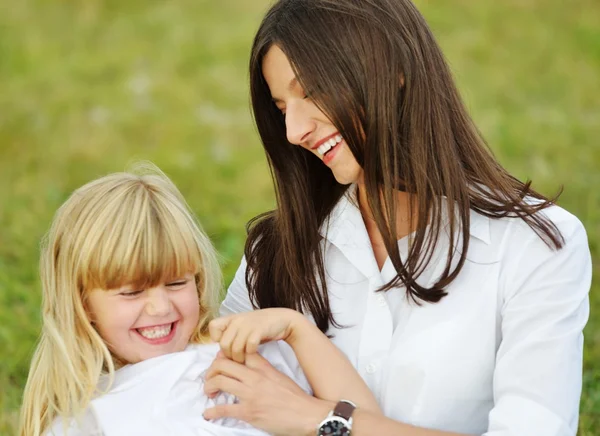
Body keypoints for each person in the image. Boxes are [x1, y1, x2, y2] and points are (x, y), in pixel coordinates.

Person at [206, 0, 593, 435]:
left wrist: (323, 420)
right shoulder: (277, 249)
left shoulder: (534, 244)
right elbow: (211, 408)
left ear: (394, 70)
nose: (294, 132)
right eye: (281, 109)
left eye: (311, 90)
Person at [18, 164, 380, 436]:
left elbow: (367, 422)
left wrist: (298, 330)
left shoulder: (242, 358)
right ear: (83, 304)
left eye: (177, 283)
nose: (160, 308)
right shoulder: (84, 417)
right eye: (132, 292)